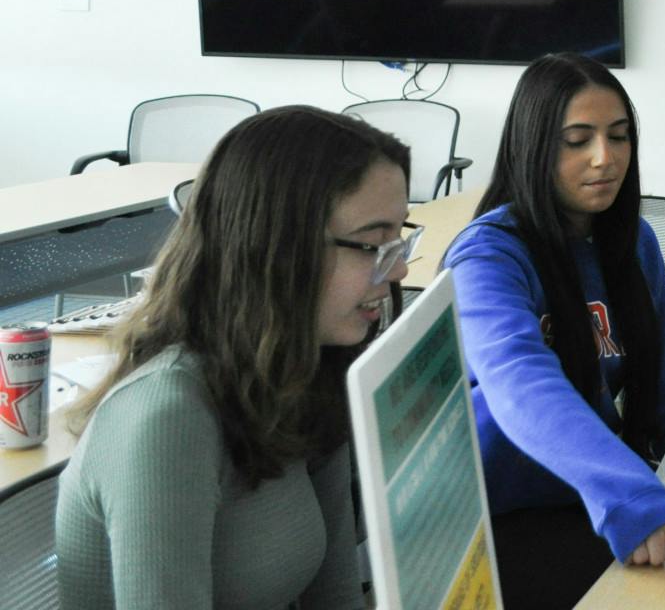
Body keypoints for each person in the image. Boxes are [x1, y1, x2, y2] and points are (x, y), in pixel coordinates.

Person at [56, 105, 416, 610]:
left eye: (400, 239)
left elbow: (335, 597)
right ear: (277, 246)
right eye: (373, 244)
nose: (398, 271)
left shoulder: (310, 367)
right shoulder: (166, 417)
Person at [444, 52, 665, 609]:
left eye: (619, 137)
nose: (605, 158)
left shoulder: (632, 240)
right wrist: (629, 494)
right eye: (578, 140)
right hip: (497, 518)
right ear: (533, 146)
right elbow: (522, 384)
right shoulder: (488, 255)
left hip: (590, 497)